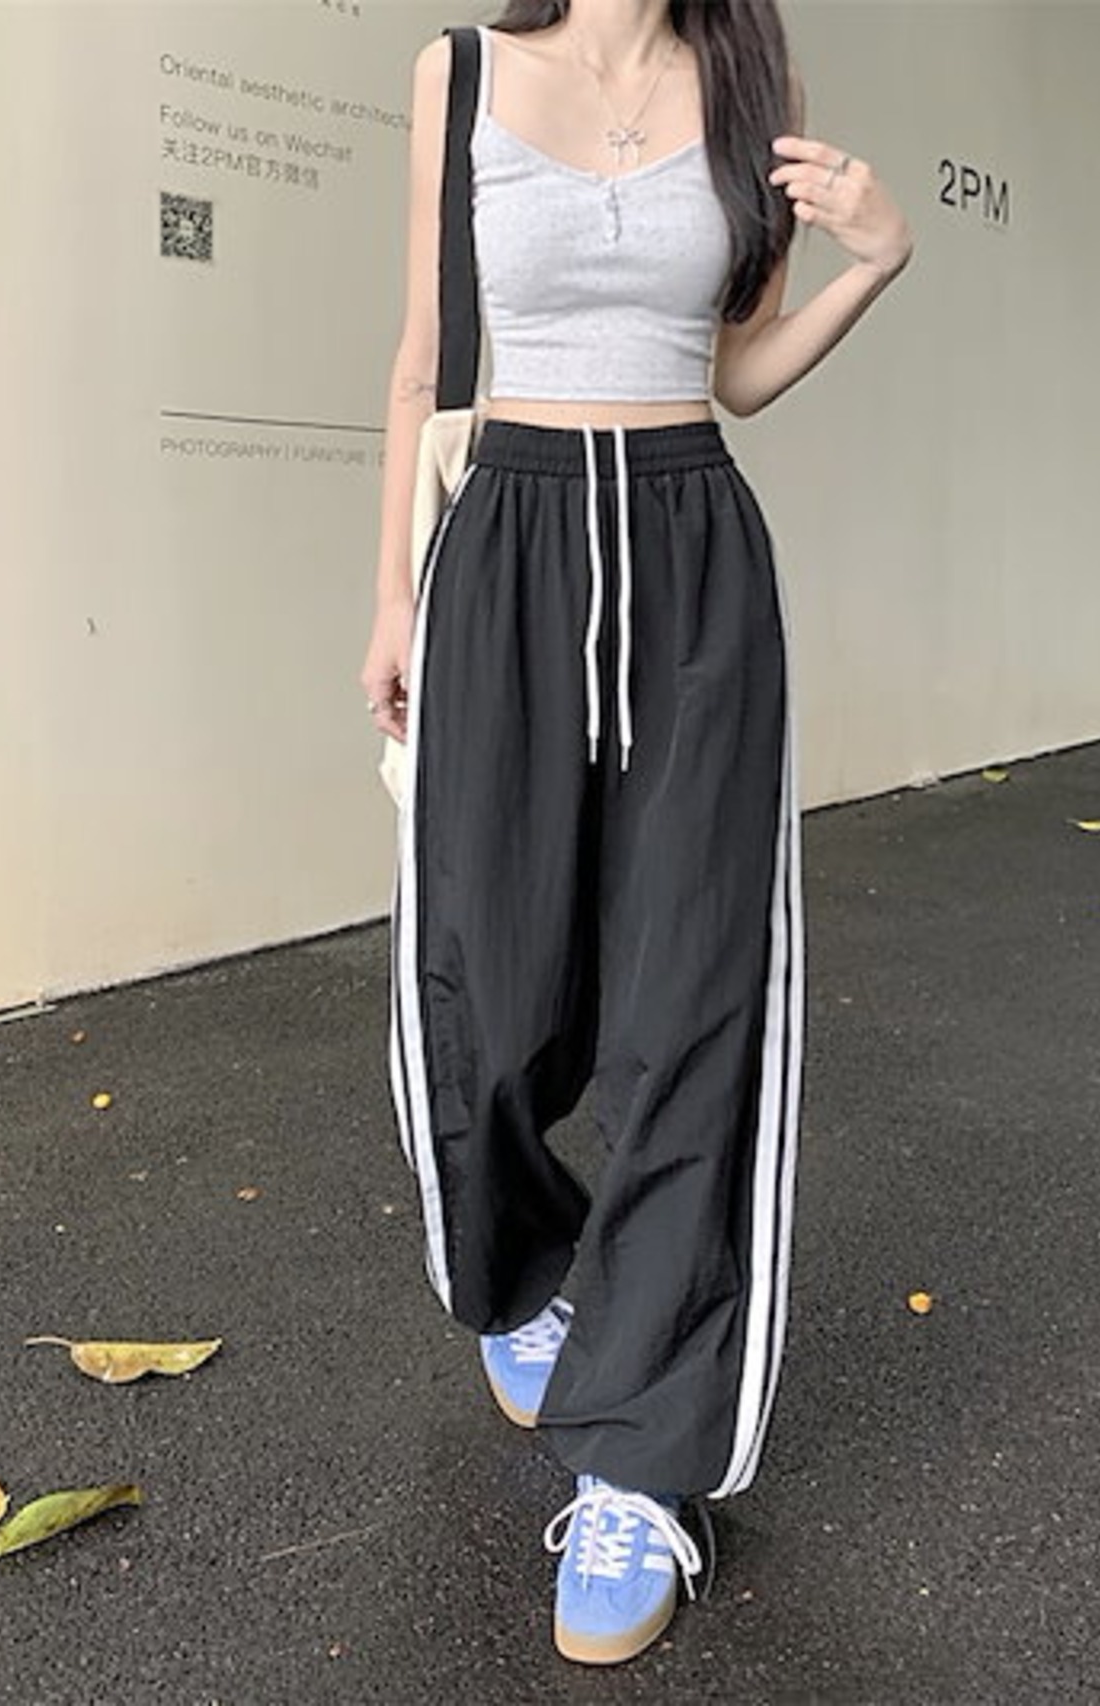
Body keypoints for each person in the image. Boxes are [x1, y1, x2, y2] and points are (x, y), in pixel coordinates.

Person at [361, 0, 912, 1668]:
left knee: (694, 1004)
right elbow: (425, 359)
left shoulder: (752, 76)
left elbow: (734, 369)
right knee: (489, 975)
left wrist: (874, 265)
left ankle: (642, 1457)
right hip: (505, 542)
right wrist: (389, 598)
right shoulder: (460, 73)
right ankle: (528, 1267)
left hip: (691, 558)